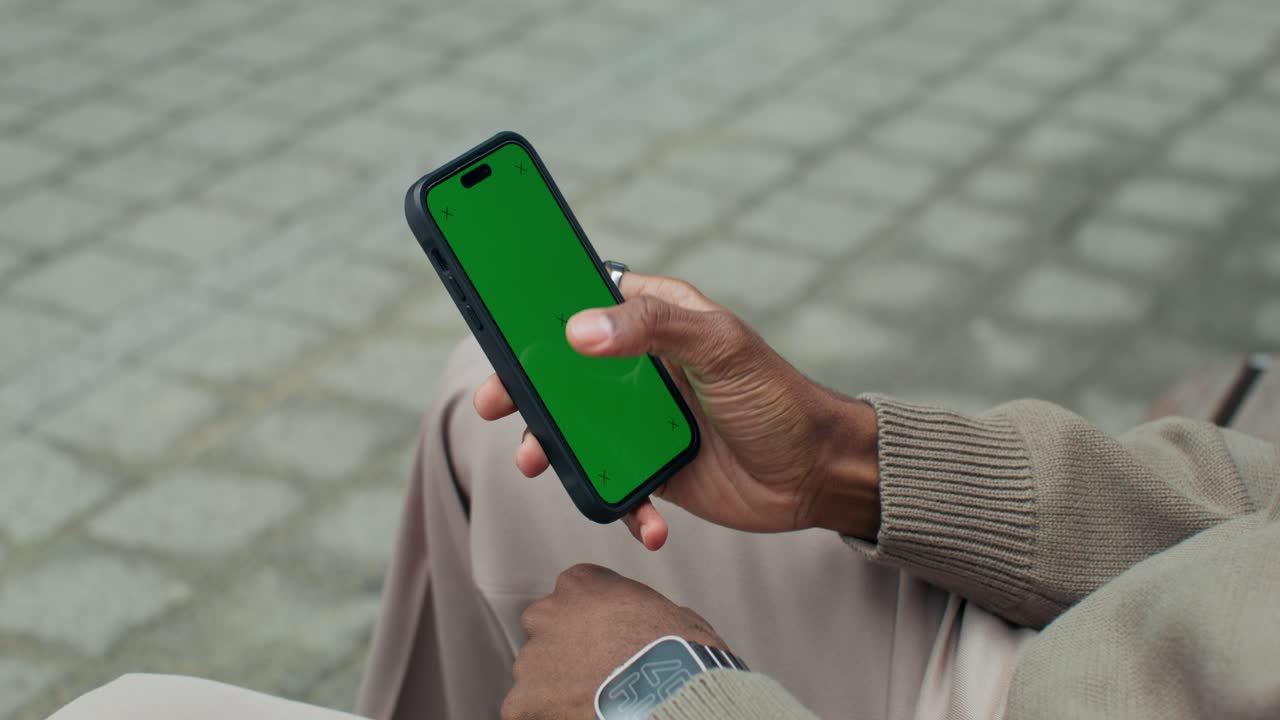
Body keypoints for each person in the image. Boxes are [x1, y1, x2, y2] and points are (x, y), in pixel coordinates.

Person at [51, 272, 1280, 720]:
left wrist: (663, 699)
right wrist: (847, 459)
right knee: (495, 393)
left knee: (123, 712)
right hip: (1118, 634)